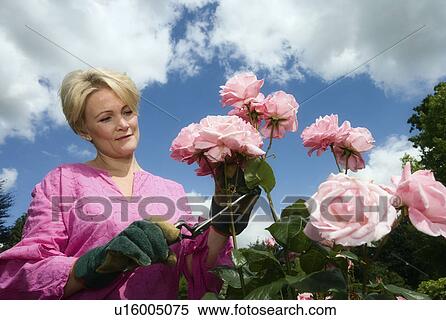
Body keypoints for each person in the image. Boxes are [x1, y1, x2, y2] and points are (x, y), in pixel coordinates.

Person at [0, 68, 258, 299]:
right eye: (106, 118)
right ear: (84, 130)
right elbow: (21, 274)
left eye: (127, 112)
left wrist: (222, 228)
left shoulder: (172, 190)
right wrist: (95, 264)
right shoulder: (61, 181)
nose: (123, 125)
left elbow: (195, 270)